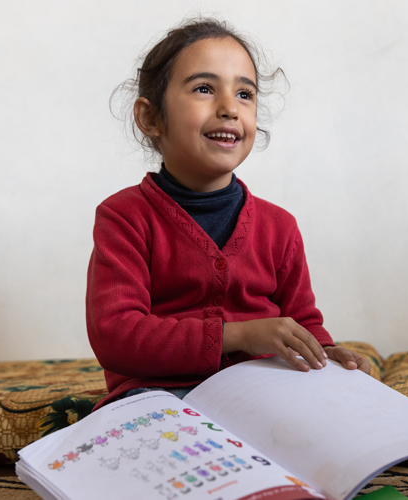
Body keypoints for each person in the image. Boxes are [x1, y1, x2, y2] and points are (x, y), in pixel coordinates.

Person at [86, 18, 370, 410]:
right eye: (204, 89)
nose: (229, 108)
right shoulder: (124, 217)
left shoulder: (280, 227)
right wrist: (236, 336)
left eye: (244, 94)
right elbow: (116, 336)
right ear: (150, 118)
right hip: (158, 398)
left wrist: (325, 351)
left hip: (264, 396)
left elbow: (302, 322)